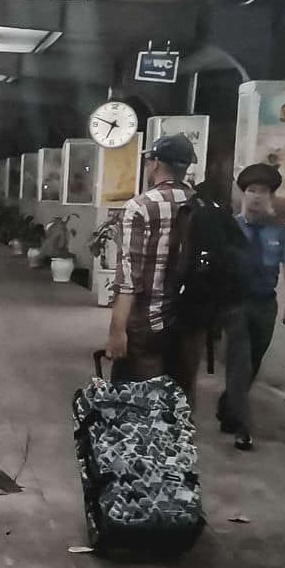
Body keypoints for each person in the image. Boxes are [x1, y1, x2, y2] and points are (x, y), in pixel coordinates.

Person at [104, 133, 197, 393]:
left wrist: (117, 329)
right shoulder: (200, 204)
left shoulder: (141, 206)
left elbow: (129, 275)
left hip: (148, 323)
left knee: (139, 402)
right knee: (179, 399)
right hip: (189, 322)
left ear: (155, 163)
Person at [218, 163, 285, 452]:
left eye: (262, 192)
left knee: (253, 362)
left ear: (271, 197)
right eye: (251, 190)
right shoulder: (230, 227)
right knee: (241, 363)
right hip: (235, 303)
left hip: (265, 305)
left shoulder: (281, 231)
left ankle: (229, 406)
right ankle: (244, 427)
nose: (256, 197)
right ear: (242, 194)